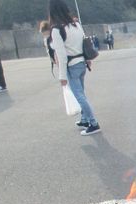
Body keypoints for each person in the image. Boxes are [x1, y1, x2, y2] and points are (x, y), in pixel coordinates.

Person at [49, 0, 101, 135]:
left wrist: (62, 77)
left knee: (79, 96)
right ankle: (84, 119)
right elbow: (85, 42)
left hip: (71, 66)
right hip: (82, 63)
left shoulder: (56, 30)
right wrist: (88, 59)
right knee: (81, 93)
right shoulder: (76, 24)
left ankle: (93, 123)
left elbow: (61, 56)